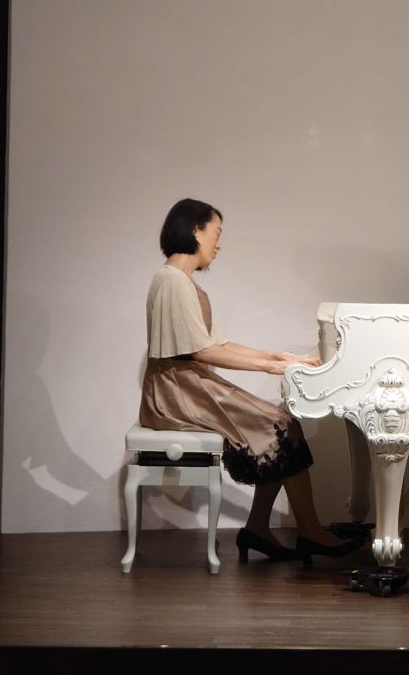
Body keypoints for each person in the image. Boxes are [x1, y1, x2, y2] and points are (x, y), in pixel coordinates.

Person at [138, 197, 362, 562]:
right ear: (195, 230)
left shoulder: (180, 280)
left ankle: (261, 528)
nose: (219, 244)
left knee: (279, 428)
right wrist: (270, 367)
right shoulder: (173, 281)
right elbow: (202, 352)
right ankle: (308, 531)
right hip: (175, 391)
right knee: (281, 426)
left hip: (186, 384)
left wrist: (280, 358)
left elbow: (219, 344)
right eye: (216, 233)